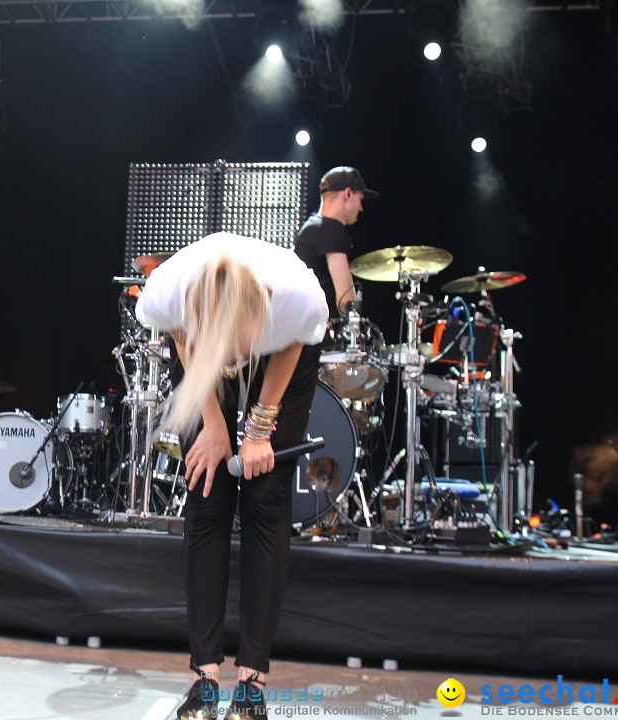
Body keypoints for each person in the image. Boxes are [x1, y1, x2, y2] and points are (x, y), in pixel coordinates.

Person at [137, 232, 328, 720]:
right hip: (201, 351)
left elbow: (290, 350)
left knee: (265, 496)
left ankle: (251, 685)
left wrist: (260, 429)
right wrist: (217, 426)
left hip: (287, 354)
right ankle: (205, 680)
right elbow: (185, 344)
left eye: (234, 347)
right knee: (207, 492)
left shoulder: (297, 301)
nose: (231, 361)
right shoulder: (167, 296)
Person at [293, 166, 379, 318]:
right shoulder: (331, 228)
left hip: (305, 329)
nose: (361, 208)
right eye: (360, 199)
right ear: (347, 193)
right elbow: (345, 301)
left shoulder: (312, 226)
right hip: (323, 337)